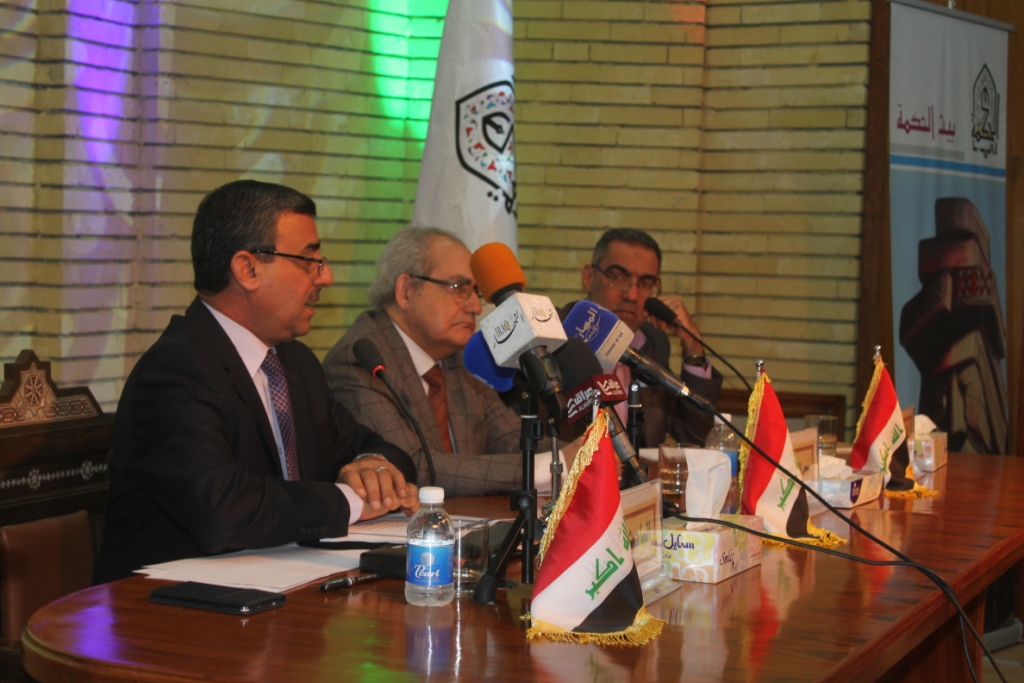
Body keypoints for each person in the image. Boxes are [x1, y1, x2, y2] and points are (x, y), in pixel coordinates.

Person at [93, 180, 418, 584]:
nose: (326, 277)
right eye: (309, 260)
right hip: (169, 604)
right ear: (247, 269)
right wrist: (351, 500)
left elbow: (380, 450)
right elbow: (224, 510)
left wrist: (374, 468)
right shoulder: (175, 370)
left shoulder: (295, 363)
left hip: (282, 589)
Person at [323, 228, 567, 496]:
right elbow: (410, 467)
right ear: (406, 291)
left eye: (475, 291)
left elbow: (510, 439)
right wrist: (557, 466)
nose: (476, 307)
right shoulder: (360, 362)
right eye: (458, 288)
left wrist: (583, 454)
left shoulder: (460, 358)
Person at [570, 228, 722, 447]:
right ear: (589, 277)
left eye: (646, 283)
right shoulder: (558, 336)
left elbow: (693, 436)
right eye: (617, 276)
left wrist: (692, 343)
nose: (632, 296)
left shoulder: (653, 342)